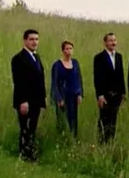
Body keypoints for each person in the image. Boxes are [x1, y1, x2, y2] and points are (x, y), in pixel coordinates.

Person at [11, 29, 47, 161]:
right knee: (25, 127)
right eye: (31, 39)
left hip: (36, 100)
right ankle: (24, 153)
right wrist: (23, 100)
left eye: (36, 39)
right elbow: (19, 81)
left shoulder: (36, 57)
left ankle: (30, 152)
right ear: (25, 40)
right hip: (25, 100)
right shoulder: (18, 59)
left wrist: (43, 97)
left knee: (32, 127)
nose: (34, 42)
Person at [93, 32, 126, 144]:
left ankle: (111, 142)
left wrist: (123, 93)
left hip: (116, 95)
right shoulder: (99, 58)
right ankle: (102, 142)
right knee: (104, 119)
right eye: (111, 40)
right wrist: (100, 95)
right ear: (105, 42)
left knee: (113, 120)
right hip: (105, 95)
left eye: (114, 40)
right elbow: (97, 78)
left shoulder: (119, 57)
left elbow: (121, 75)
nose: (113, 43)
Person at [50, 40, 83, 138]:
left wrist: (80, 94)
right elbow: (54, 83)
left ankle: (73, 138)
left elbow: (79, 79)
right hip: (63, 96)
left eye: (70, 48)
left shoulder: (75, 63)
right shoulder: (57, 65)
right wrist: (59, 98)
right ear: (63, 50)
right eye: (66, 49)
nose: (69, 51)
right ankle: (62, 139)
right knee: (62, 119)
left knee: (73, 119)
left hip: (74, 95)